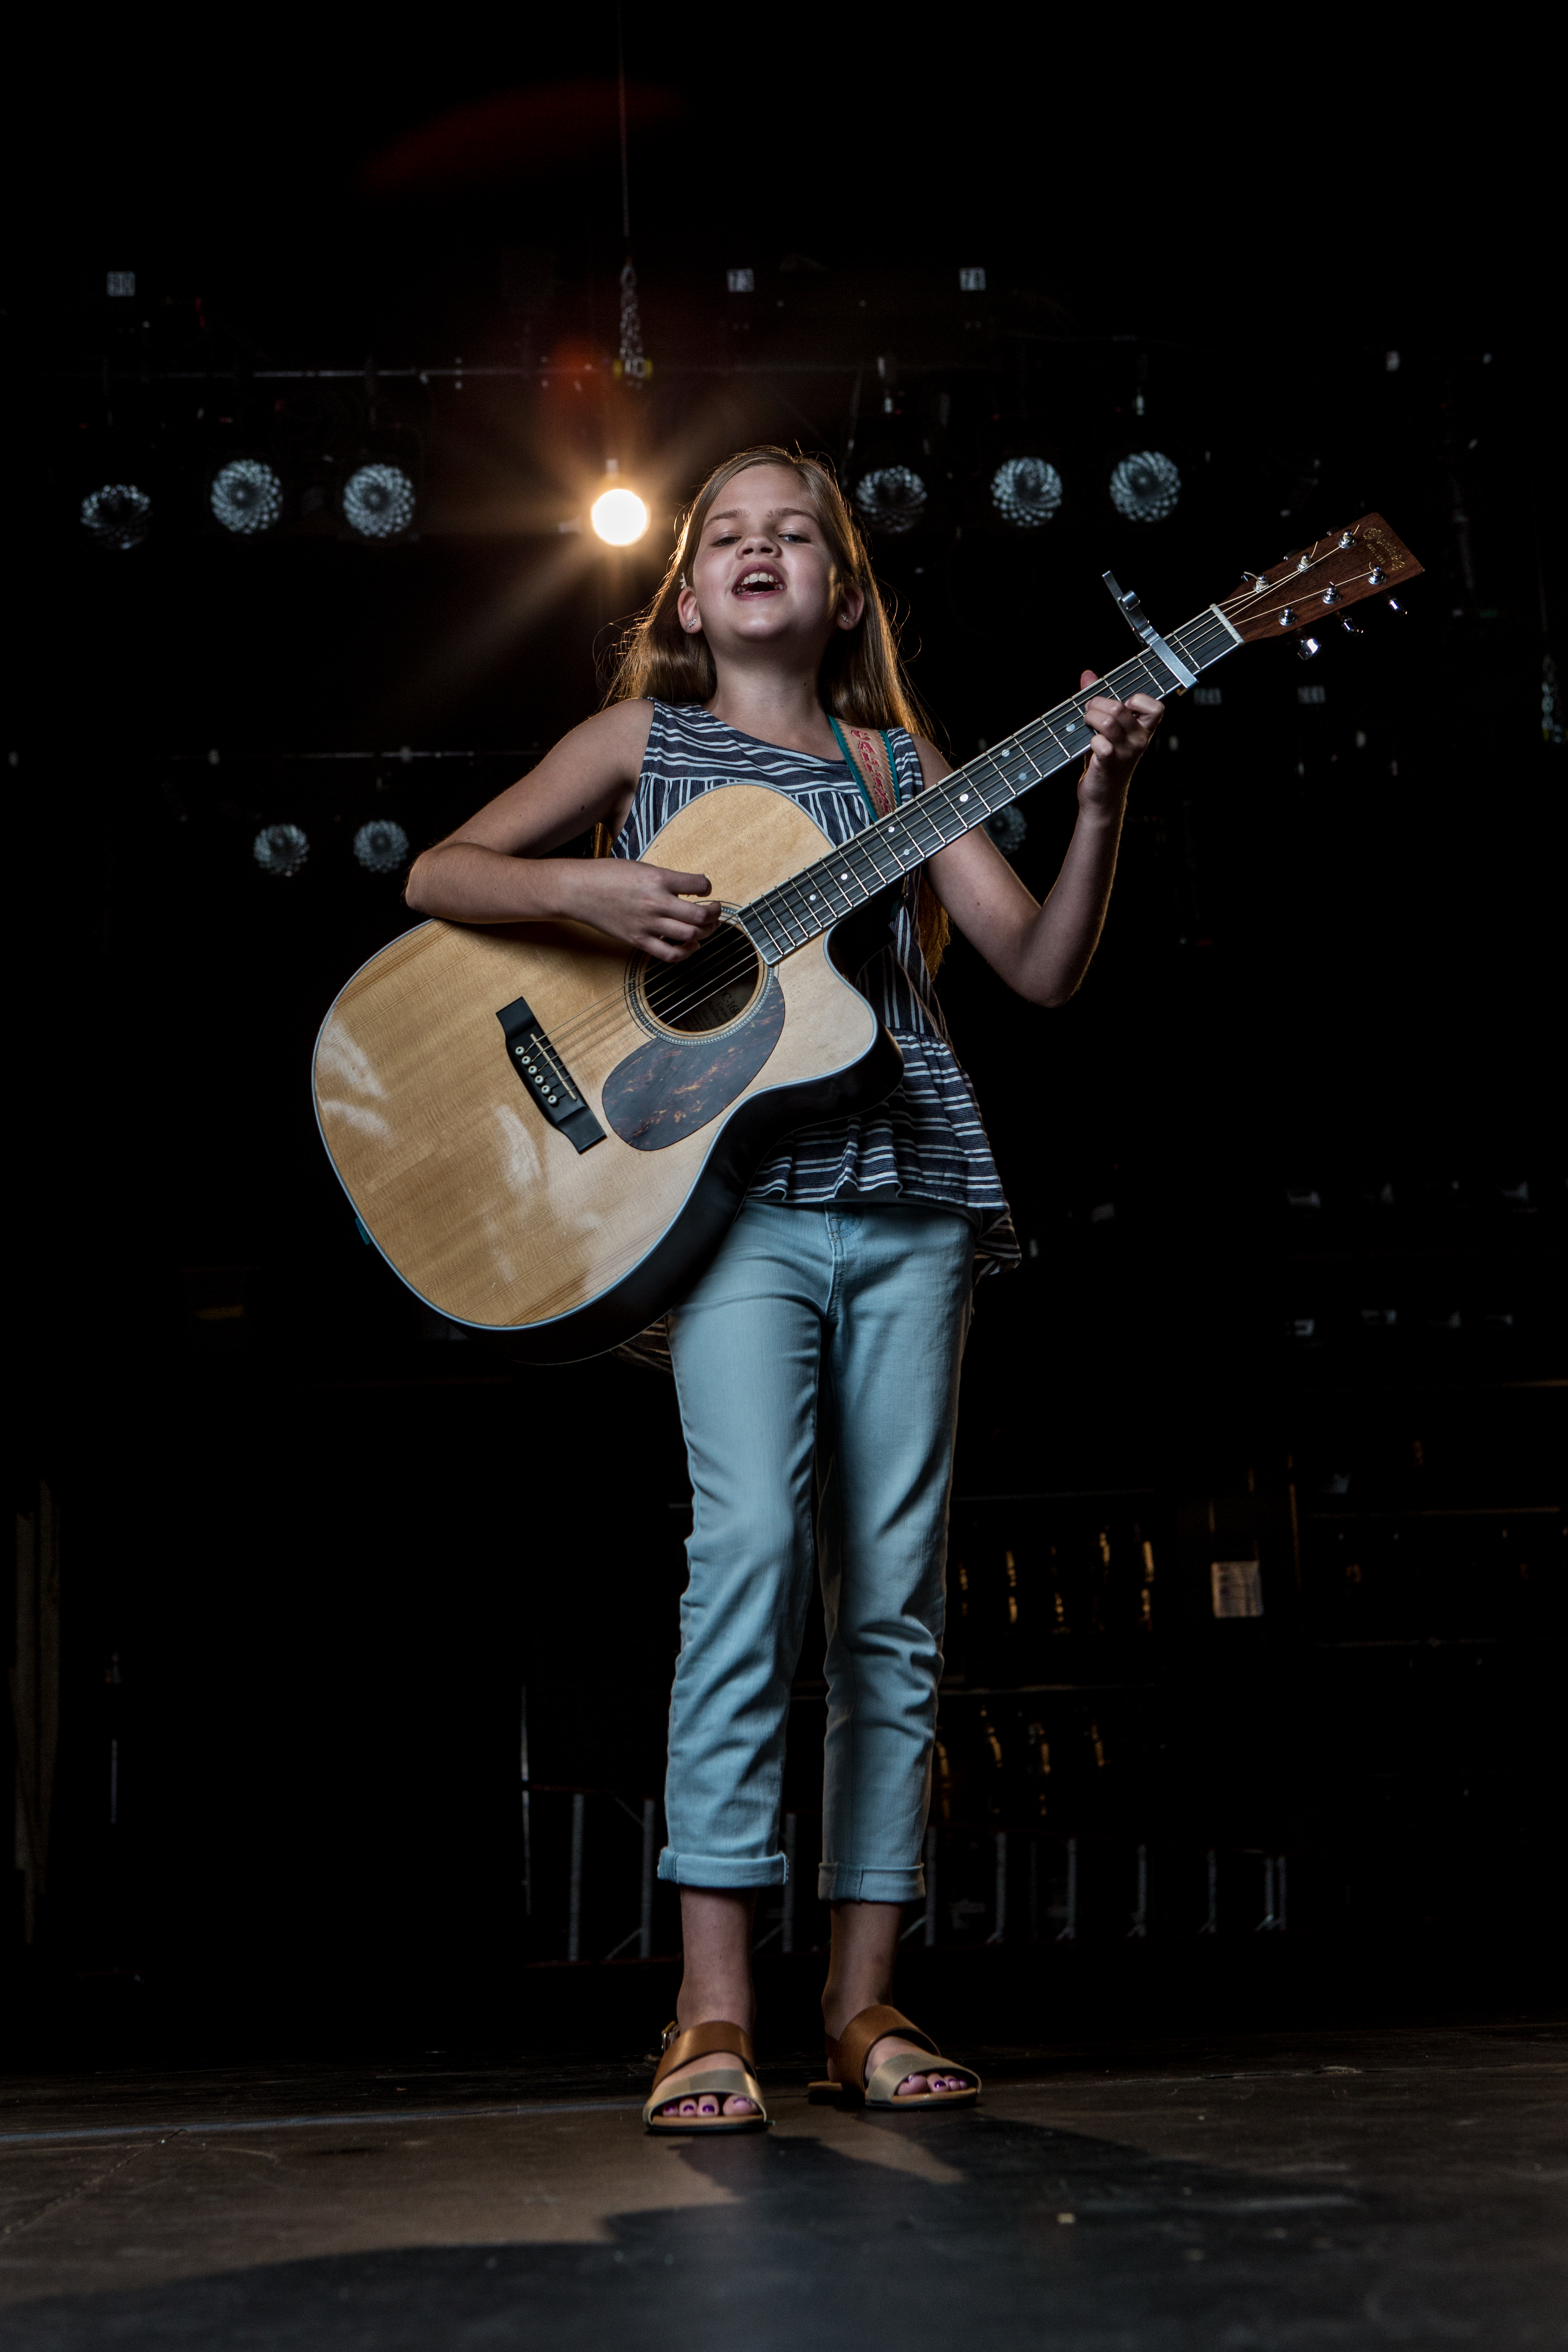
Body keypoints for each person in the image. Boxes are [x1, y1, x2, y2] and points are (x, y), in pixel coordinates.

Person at [405, 446, 1163, 2130]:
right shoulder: (640, 744)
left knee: (891, 1599)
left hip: (914, 1202)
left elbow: (1037, 968)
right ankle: (712, 2007)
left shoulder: (907, 765)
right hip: (731, 1209)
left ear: (839, 591)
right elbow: (438, 876)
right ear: (687, 599)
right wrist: (589, 887)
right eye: (726, 535)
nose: (760, 550)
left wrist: (1103, 793)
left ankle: (865, 2000)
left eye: (794, 533)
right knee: (745, 1557)